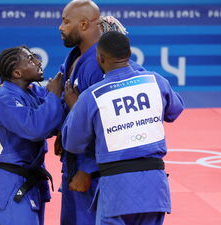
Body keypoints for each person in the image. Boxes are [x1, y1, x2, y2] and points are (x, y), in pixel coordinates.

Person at [62, 31, 184, 225]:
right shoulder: (155, 81)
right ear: (129, 54)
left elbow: (72, 142)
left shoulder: (91, 96)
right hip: (154, 188)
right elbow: (175, 110)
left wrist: (74, 107)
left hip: (117, 190)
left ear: (100, 58)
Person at [56, 1, 144, 224]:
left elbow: (109, 124)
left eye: (66, 21)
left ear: (84, 24)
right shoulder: (75, 57)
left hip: (94, 170)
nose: (60, 27)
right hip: (73, 160)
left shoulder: (99, 65)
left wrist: (86, 169)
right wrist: (62, 132)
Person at [0, 46, 64, 225]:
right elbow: (36, 128)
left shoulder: (32, 91)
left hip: (27, 181)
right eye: (30, 59)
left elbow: (54, 116)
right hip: (10, 184)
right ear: (17, 72)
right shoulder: (4, 99)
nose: (38, 61)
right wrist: (54, 96)